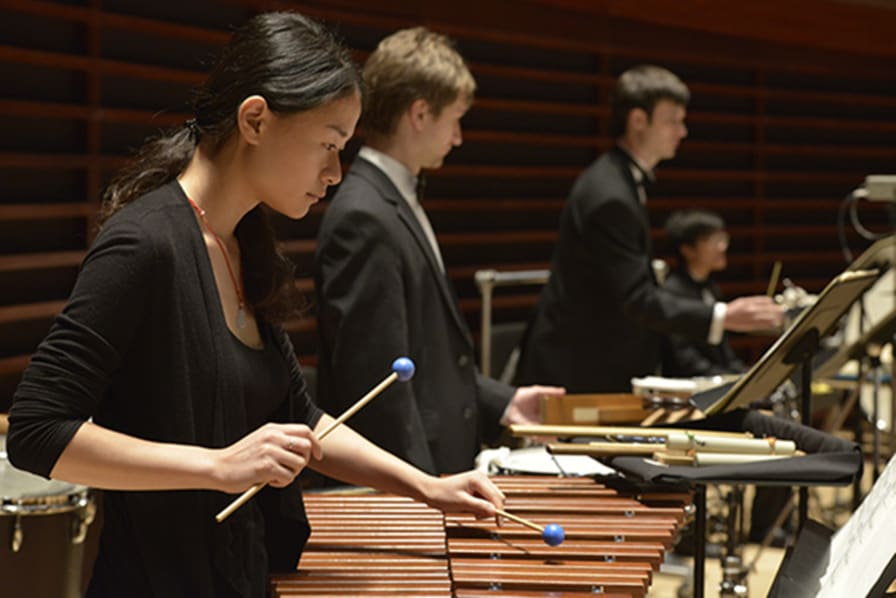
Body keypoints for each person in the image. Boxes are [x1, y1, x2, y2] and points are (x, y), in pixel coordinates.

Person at [6, 13, 506, 598]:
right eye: (327, 144)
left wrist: (426, 486)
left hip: (245, 575)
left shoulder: (248, 243)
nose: (335, 172)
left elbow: (306, 419)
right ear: (255, 120)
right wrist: (216, 466)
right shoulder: (145, 244)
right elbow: (38, 431)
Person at [314, 27, 564, 476]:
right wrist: (424, 494)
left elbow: (428, 359)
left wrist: (503, 402)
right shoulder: (364, 216)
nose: (458, 137)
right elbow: (379, 383)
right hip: (413, 479)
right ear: (420, 113)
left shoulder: (393, 200)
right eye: (455, 120)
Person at [517, 65, 783, 393]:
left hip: (590, 362)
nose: (682, 131)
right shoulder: (610, 194)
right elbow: (636, 298)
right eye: (672, 120)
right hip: (577, 369)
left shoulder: (619, 180)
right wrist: (722, 315)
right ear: (638, 120)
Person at [661, 210, 747, 377]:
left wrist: (743, 375)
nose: (722, 247)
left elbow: (722, 348)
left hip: (714, 378)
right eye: (712, 241)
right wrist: (726, 379)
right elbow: (684, 359)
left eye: (722, 239)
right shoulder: (672, 292)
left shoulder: (711, 286)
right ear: (687, 250)